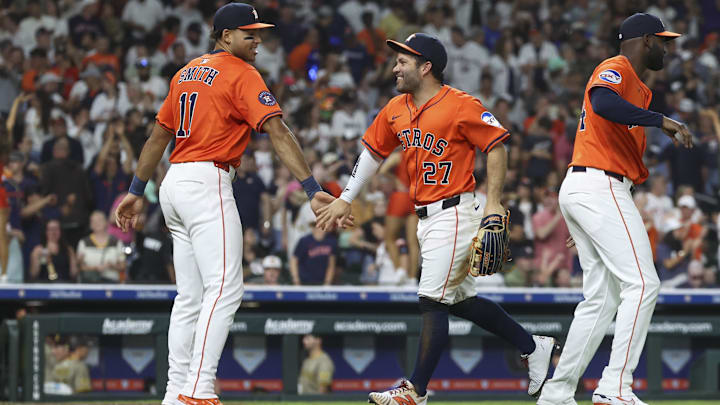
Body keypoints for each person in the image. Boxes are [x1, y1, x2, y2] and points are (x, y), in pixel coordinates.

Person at [114, 4, 347, 405]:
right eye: (249, 34)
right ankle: (200, 389)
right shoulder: (240, 72)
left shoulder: (186, 71)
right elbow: (277, 129)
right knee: (225, 289)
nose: (258, 41)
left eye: (259, 34)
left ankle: (175, 391)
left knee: (189, 297)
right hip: (207, 181)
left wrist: (136, 189)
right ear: (225, 36)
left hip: (173, 182)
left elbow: (157, 137)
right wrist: (312, 188)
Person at [316, 33, 556, 405]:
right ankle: (532, 346)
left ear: (426, 67)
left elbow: (496, 146)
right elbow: (372, 153)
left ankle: (415, 391)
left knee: (431, 300)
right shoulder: (396, 107)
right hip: (425, 218)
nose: (395, 66)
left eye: (403, 61)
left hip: (456, 211)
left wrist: (493, 203)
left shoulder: (461, 104)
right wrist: (347, 198)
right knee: (458, 301)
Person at [536, 14, 691, 405]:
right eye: (661, 40)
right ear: (642, 40)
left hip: (593, 188)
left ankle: (557, 393)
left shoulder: (640, 89)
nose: (666, 48)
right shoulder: (615, 66)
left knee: (601, 299)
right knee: (643, 284)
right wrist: (662, 122)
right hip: (598, 185)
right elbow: (602, 102)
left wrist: (590, 220)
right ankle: (614, 387)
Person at [76, 211, 126, 283]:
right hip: (89, 282)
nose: (97, 223)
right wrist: (94, 268)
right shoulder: (83, 242)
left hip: (112, 283)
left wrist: (112, 266)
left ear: (106, 222)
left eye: (100, 220)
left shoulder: (116, 242)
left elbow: (123, 266)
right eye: (94, 221)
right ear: (90, 225)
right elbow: (79, 267)